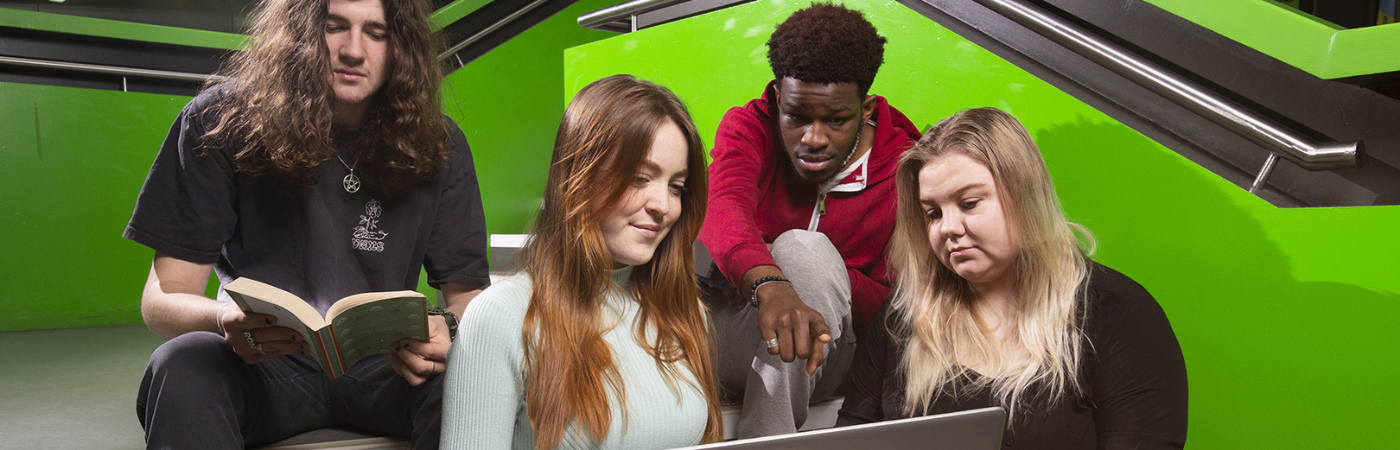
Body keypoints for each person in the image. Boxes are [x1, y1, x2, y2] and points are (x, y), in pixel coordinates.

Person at [124, 0, 489, 448]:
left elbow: (469, 294)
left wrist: (447, 328)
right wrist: (223, 318)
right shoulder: (217, 122)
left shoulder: (440, 145)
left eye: (376, 33)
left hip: (387, 366)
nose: (354, 50)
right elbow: (162, 298)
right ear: (297, 34)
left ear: (401, 47)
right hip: (261, 364)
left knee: (474, 375)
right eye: (334, 27)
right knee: (182, 363)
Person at [836, 107, 1188, 448]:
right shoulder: (903, 317)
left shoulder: (1120, 315)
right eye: (933, 213)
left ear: (1024, 196)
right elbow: (851, 435)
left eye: (970, 203)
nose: (948, 228)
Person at [441, 75, 723, 449]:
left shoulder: (686, 313)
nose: (663, 205)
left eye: (676, 186)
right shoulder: (500, 317)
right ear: (579, 175)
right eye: (640, 178)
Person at [697, 3, 922, 437]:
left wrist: (823, 281)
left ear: (866, 106)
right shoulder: (749, 127)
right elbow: (725, 207)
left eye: (836, 121)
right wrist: (770, 284)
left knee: (807, 251)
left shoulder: (904, 167)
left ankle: (766, 439)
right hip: (731, 331)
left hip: (827, 351)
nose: (813, 139)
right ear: (778, 98)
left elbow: (896, 310)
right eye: (796, 117)